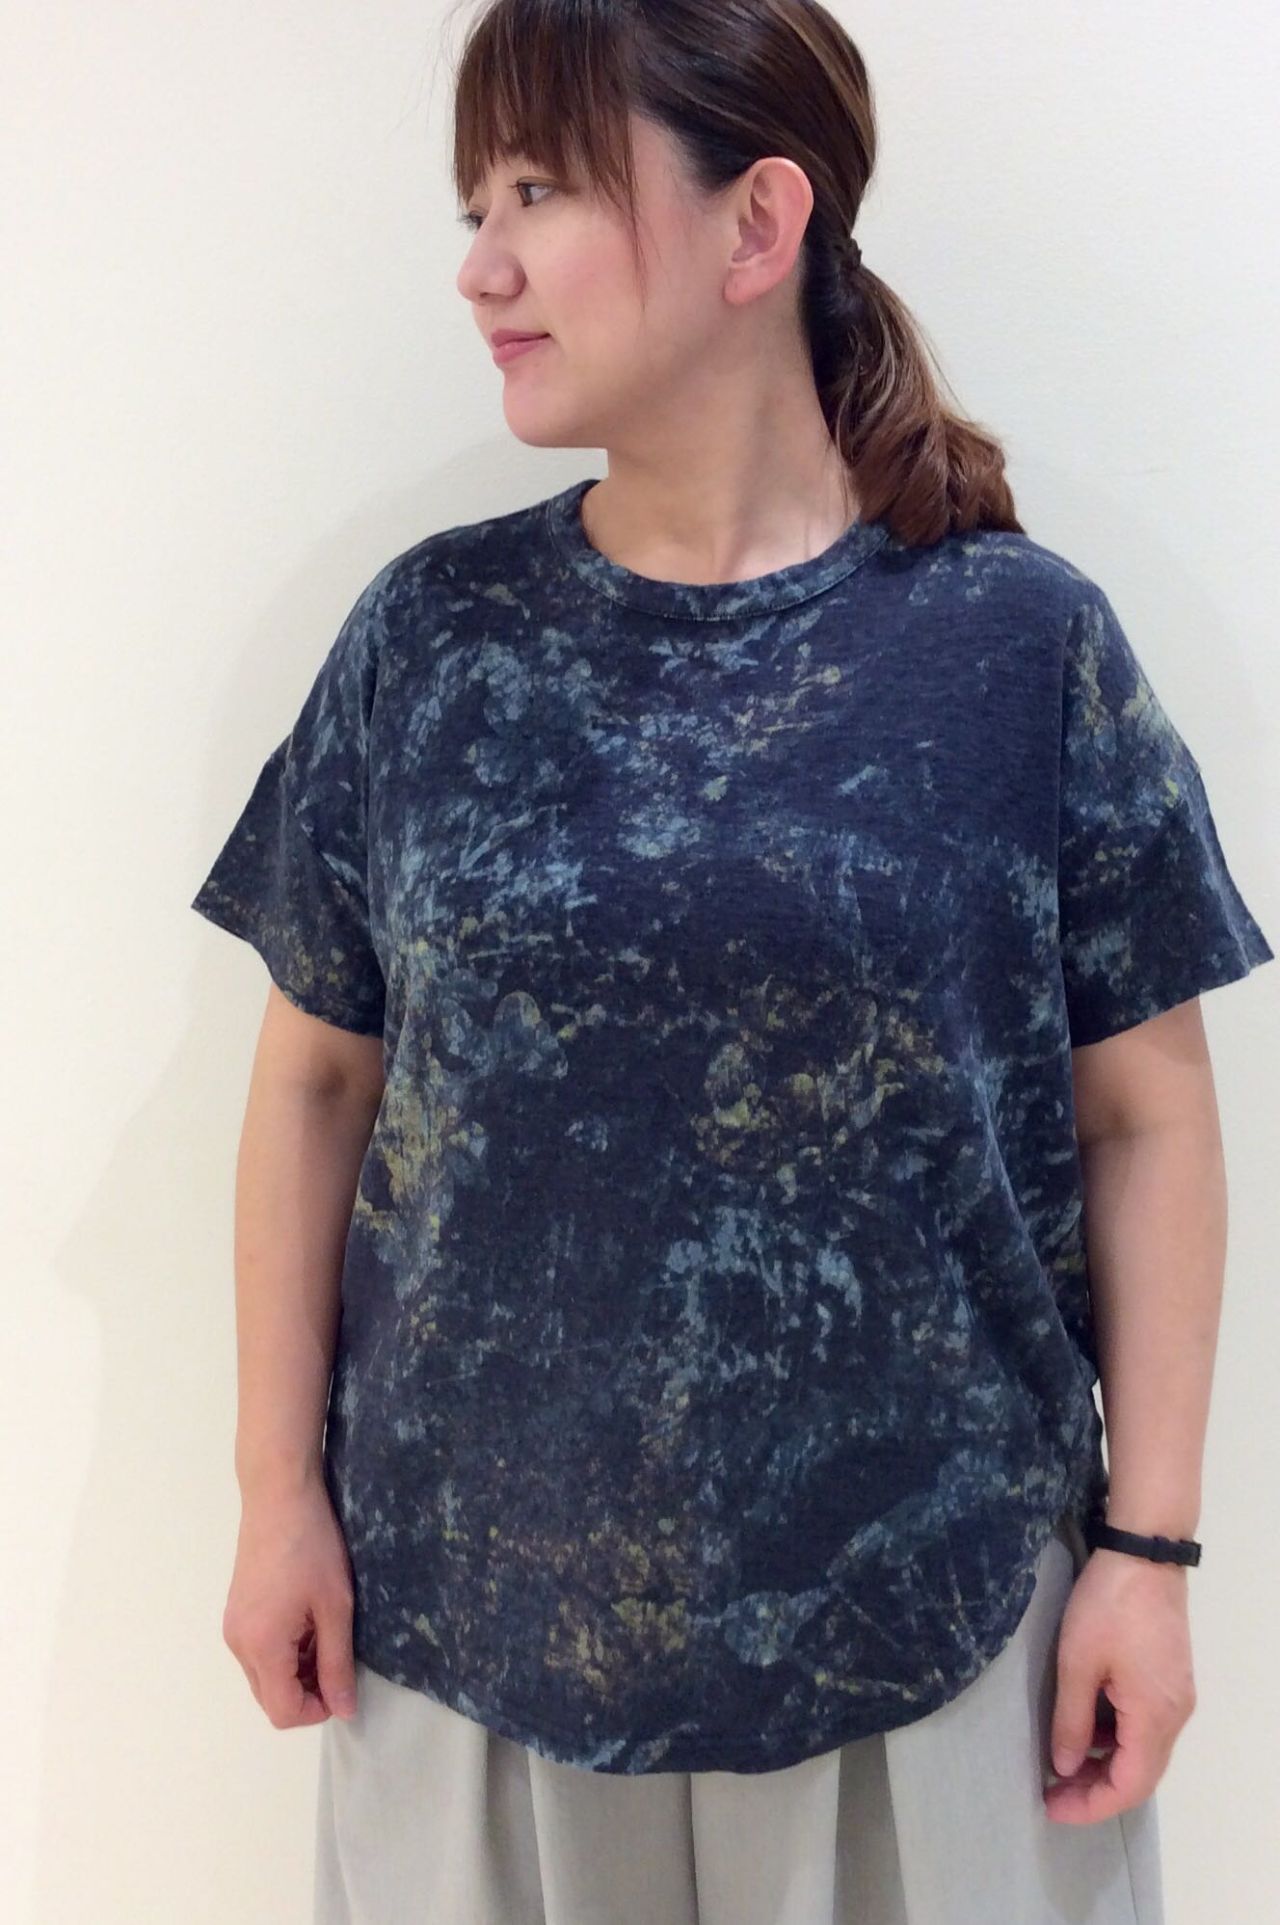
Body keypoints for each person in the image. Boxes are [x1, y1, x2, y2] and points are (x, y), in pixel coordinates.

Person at [190, 3, 1273, 1920]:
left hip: (944, 1649)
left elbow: (1145, 1117)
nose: (482, 265)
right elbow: (315, 1080)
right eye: (473, 204)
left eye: (540, 190)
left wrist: (1151, 1550)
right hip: (469, 1637)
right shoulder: (432, 645)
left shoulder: (1018, 646)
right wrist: (278, 1494)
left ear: (759, 222)